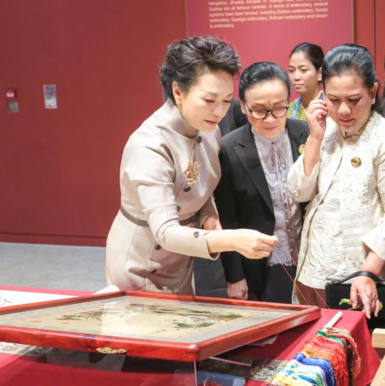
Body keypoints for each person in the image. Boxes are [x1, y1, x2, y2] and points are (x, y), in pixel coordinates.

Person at [106, 36, 278, 294]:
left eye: (225, 100)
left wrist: (207, 212)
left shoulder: (207, 128)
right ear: (178, 91)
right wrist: (233, 239)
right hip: (142, 260)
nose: (219, 111)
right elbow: (165, 231)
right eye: (209, 101)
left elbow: (200, 181)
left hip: (180, 258)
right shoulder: (150, 145)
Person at [287, 44, 385, 318]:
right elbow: (298, 191)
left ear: (373, 91)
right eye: (333, 99)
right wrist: (315, 137)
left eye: (354, 99)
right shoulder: (326, 129)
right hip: (313, 268)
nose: (343, 110)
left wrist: (368, 272)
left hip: (363, 275)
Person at [215, 62, 309, 303]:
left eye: (279, 108)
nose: (270, 119)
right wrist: (234, 277)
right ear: (244, 106)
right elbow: (228, 217)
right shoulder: (228, 148)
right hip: (261, 263)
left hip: (310, 259)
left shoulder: (307, 134)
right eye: (259, 110)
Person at [287, 42, 325, 120]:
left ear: (320, 73)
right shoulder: (288, 110)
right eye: (291, 70)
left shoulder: (330, 106)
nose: (296, 77)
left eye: (303, 70)